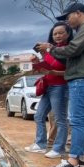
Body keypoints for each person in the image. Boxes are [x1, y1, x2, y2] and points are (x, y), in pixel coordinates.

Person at [36, 3, 84, 167]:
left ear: (78, 13)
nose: (67, 22)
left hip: (82, 78)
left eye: (68, 17)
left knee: (76, 120)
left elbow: (73, 49)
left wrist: (50, 48)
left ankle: (73, 161)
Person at [24, 22, 72, 158]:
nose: (57, 36)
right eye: (55, 33)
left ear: (68, 34)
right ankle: (40, 144)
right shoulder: (53, 50)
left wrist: (48, 59)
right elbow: (47, 66)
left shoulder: (67, 50)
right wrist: (36, 62)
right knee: (38, 116)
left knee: (60, 119)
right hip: (48, 86)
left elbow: (62, 68)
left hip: (60, 87)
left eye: (61, 33)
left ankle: (59, 149)